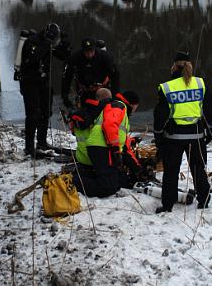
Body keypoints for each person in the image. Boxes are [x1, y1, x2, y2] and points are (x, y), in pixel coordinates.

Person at [153, 52, 212, 213]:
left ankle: (168, 204)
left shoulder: (167, 87)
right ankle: (204, 198)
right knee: (198, 169)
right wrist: (210, 130)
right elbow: (209, 109)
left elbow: (160, 115)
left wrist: (158, 135)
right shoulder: (200, 83)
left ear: (174, 66)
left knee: (171, 171)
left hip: (173, 137)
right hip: (196, 134)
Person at [69, 88, 137, 198]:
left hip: (99, 148)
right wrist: (115, 150)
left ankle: (81, 178)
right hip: (102, 148)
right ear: (133, 105)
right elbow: (110, 125)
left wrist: (135, 167)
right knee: (108, 188)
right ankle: (73, 181)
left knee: (118, 181)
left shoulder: (106, 109)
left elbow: (124, 143)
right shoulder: (118, 106)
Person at [15, 23, 70, 157]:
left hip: (44, 82)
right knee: (33, 115)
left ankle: (42, 142)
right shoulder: (31, 42)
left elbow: (63, 56)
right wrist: (47, 43)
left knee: (46, 112)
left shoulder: (50, 42)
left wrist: (63, 43)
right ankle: (29, 147)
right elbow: (33, 59)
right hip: (30, 82)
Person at [61, 37, 120, 107]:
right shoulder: (75, 57)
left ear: (95, 49)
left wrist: (115, 94)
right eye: (87, 52)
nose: (89, 54)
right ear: (83, 50)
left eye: (91, 51)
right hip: (84, 90)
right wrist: (65, 95)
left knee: (103, 109)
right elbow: (67, 75)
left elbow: (115, 74)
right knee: (85, 112)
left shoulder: (104, 56)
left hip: (102, 90)